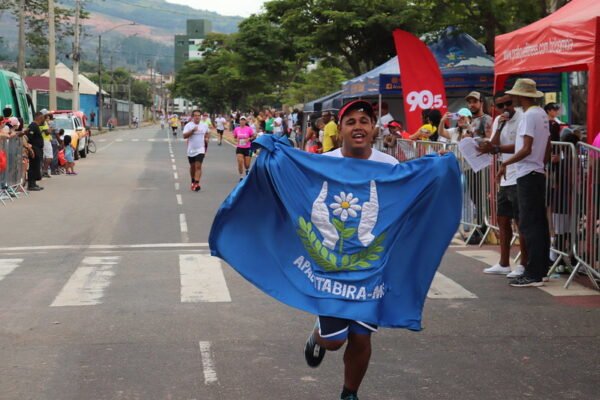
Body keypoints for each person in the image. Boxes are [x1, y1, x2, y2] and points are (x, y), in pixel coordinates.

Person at [304, 100, 398, 400]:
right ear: (339, 130)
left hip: (371, 267)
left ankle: (349, 393)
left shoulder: (391, 167)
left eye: (364, 121)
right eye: (351, 122)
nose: (358, 126)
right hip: (331, 264)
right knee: (335, 341)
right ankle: (318, 337)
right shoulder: (323, 164)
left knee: (361, 335)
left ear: (373, 129)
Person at [498, 78, 551, 287]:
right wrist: (542, 165)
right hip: (536, 171)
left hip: (527, 172)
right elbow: (545, 146)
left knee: (529, 224)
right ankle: (540, 269)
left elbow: (526, 148)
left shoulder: (529, 116)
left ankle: (533, 273)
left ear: (521, 95)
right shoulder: (542, 114)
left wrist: (506, 164)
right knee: (538, 223)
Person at [478, 91, 528, 277]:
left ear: (513, 101)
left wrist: (497, 150)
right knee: (502, 219)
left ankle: (523, 264)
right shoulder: (499, 119)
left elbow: (523, 146)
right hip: (506, 175)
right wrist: (498, 129)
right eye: (501, 105)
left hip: (521, 174)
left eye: (508, 103)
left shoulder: (523, 117)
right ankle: (504, 262)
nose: (505, 108)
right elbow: (494, 147)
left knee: (519, 221)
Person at [183, 110, 209, 192]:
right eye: (195, 115)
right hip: (191, 150)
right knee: (193, 167)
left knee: (198, 166)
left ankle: (197, 183)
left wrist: (207, 139)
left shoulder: (204, 125)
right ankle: (193, 181)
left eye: (198, 115)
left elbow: (208, 133)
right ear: (193, 117)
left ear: (200, 116)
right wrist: (192, 131)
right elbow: (184, 136)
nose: (197, 117)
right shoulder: (188, 125)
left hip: (200, 149)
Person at [26, 112, 45, 191]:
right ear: (38, 118)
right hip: (34, 149)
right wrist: (31, 148)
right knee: (33, 167)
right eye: (42, 118)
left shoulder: (36, 126)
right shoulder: (33, 125)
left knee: (36, 167)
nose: (43, 120)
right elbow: (29, 137)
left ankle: (33, 183)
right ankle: (31, 185)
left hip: (37, 149)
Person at [233, 116, 256, 181]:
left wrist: (249, 139)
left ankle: (247, 170)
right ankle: (241, 176)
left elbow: (254, 136)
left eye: (243, 120)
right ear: (239, 121)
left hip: (248, 148)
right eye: (241, 120)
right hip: (239, 147)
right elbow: (234, 137)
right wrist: (236, 139)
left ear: (245, 121)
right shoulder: (236, 129)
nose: (242, 121)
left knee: (247, 165)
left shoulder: (249, 129)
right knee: (240, 161)